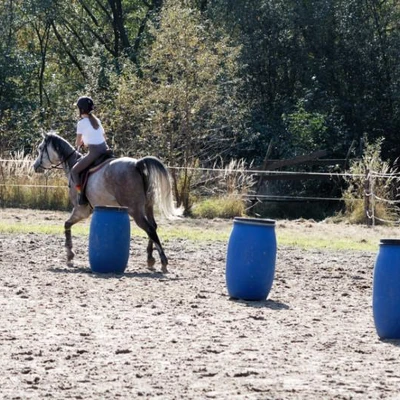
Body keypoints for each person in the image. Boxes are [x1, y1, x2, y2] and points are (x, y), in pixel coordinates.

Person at [71, 96, 108, 204]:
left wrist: (83, 143)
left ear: (81, 109)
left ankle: (81, 195)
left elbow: (78, 143)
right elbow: (104, 137)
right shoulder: (97, 120)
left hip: (94, 152)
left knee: (74, 171)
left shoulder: (81, 123)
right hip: (105, 149)